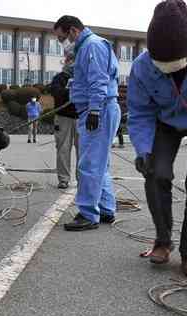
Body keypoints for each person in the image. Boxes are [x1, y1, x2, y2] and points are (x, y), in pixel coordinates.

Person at [128, 0, 187, 278]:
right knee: (155, 173)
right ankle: (162, 240)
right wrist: (143, 149)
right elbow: (140, 112)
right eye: (162, 64)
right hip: (165, 123)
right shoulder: (142, 67)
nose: (168, 69)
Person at [54, 15, 121, 231]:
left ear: (73, 31)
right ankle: (106, 208)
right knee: (100, 163)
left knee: (89, 164)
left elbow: (98, 79)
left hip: (98, 110)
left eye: (62, 37)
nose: (62, 42)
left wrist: (93, 109)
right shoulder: (86, 48)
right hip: (99, 108)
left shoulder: (92, 46)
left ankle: (87, 213)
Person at [51, 46, 79, 189]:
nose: (72, 62)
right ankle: (63, 179)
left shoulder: (84, 76)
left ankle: (82, 179)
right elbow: (56, 93)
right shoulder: (59, 78)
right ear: (66, 60)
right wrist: (69, 90)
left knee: (83, 150)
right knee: (63, 148)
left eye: (75, 59)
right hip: (63, 118)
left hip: (82, 117)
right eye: (70, 59)